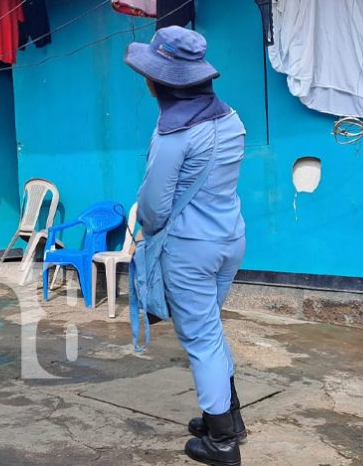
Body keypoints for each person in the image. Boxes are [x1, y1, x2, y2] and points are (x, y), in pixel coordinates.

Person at [125, 26, 247, 466]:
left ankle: (222, 444)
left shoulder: (172, 135)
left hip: (190, 248)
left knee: (200, 336)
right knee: (210, 328)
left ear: (163, 81)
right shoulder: (231, 119)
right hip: (230, 239)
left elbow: (154, 210)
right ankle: (227, 418)